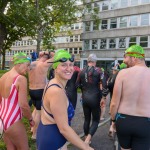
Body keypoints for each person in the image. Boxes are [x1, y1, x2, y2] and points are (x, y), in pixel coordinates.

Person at [36, 50, 94, 150]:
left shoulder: (53, 83)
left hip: (48, 134)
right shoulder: (56, 91)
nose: (69, 68)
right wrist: (86, 147)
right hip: (53, 140)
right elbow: (64, 129)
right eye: (63, 65)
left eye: (71, 64)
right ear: (55, 68)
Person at [110, 45, 150, 150]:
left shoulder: (122, 73)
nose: (124, 61)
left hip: (123, 121)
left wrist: (113, 121)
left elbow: (114, 103)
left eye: (126, 57)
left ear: (134, 57)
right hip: (145, 123)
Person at [0, 52, 34, 150]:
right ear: (19, 64)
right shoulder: (20, 79)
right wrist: (30, 119)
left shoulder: (2, 77)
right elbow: (23, 105)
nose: (28, 69)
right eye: (27, 65)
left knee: (10, 148)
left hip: (2, 119)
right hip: (13, 120)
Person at [77, 54, 108, 144]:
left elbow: (77, 84)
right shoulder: (99, 71)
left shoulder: (81, 71)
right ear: (95, 61)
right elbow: (105, 85)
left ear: (87, 61)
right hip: (95, 97)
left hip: (85, 98)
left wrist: (84, 88)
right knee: (95, 120)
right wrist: (103, 97)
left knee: (87, 119)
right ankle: (87, 139)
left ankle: (86, 136)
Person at [28, 51, 54, 139]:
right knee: (39, 112)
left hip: (31, 90)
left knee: (35, 109)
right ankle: (34, 134)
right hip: (40, 90)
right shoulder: (44, 64)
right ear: (46, 58)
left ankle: (32, 128)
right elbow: (55, 57)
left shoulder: (33, 63)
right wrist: (49, 52)